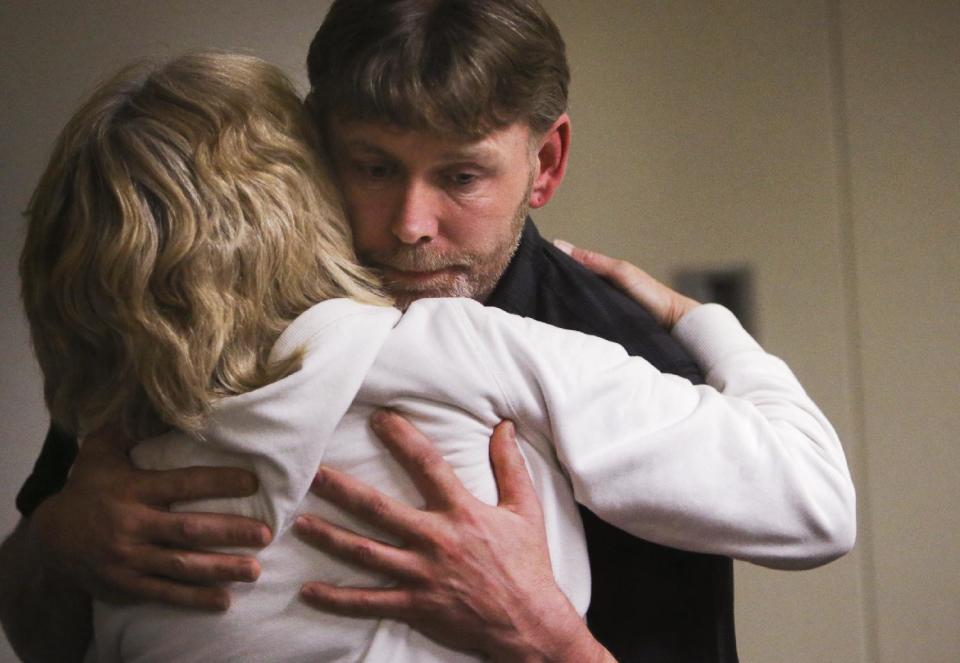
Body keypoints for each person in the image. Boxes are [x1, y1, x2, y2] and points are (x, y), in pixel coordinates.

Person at [0, 2, 856, 662]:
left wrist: (547, 640)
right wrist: (59, 542)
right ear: (310, 147)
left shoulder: (624, 356)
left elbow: (813, 514)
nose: (411, 223)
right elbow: (42, 631)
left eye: (461, 175)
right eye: (371, 165)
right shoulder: (178, 326)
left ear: (544, 164)